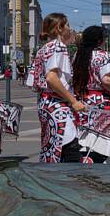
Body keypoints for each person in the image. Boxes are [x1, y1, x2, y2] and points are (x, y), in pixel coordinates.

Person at [32, 13, 86, 163]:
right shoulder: (58, 47)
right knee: (69, 146)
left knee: (52, 147)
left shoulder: (44, 49)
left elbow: (35, 80)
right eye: (67, 25)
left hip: (46, 103)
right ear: (59, 28)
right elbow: (51, 78)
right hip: (58, 105)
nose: (69, 28)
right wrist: (73, 101)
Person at [71, 26, 110, 159]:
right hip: (101, 103)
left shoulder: (78, 55)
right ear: (99, 40)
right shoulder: (102, 55)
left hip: (83, 100)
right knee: (104, 141)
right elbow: (106, 80)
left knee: (85, 139)